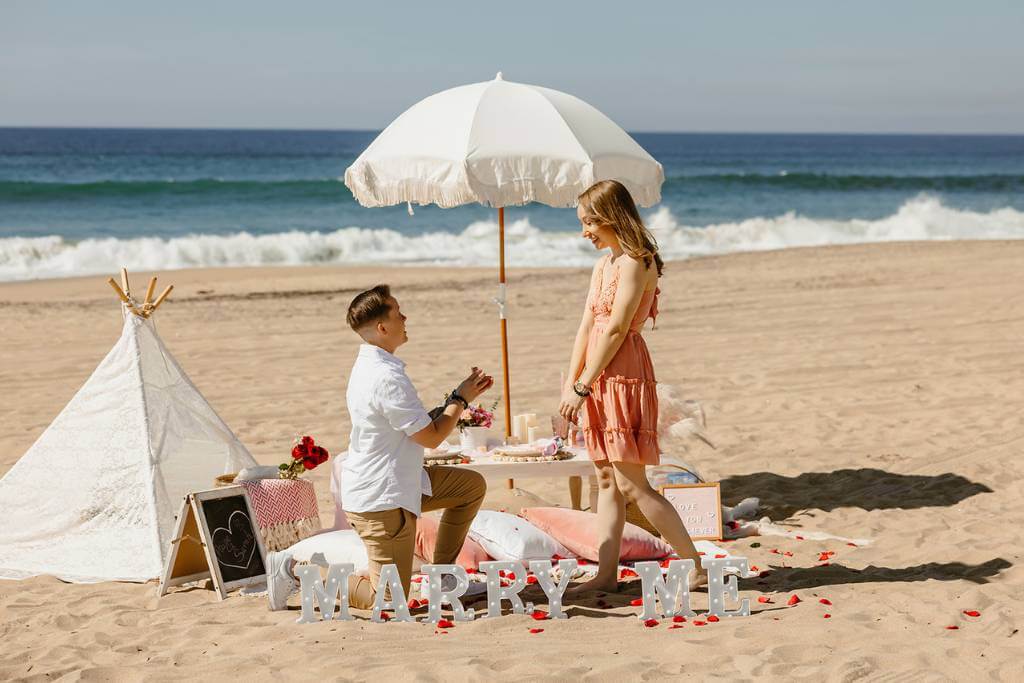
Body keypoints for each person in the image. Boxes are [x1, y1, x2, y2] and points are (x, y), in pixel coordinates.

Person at [267, 284, 493, 610]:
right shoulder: (385, 377)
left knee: (469, 487)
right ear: (383, 327)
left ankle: (442, 578)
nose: (406, 317)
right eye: (399, 312)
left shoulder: (374, 366)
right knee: (387, 601)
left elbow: (412, 425)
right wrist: (460, 400)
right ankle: (294, 570)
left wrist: (454, 399)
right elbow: (430, 437)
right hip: (382, 498)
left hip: (401, 482)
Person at [558, 180, 705, 594]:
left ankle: (694, 565)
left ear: (610, 218)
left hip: (621, 374)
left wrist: (583, 385)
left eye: (588, 222)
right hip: (593, 377)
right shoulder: (603, 265)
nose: (584, 231)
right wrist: (572, 381)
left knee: (633, 484)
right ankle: (606, 575)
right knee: (606, 479)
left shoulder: (637, 262)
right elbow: (587, 326)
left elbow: (619, 327)